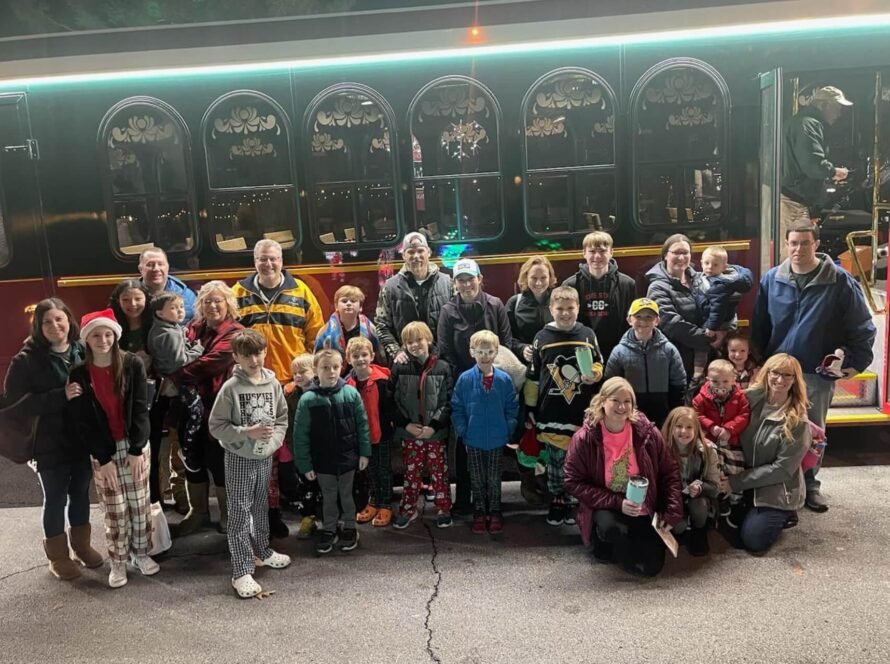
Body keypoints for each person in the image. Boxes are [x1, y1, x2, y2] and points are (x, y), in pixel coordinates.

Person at [751, 222, 875, 512]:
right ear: (786, 244)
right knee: (773, 430)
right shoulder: (772, 279)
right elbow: (760, 325)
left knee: (813, 433)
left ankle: (810, 484)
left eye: (805, 243)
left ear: (816, 244)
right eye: (793, 243)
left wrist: (857, 363)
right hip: (777, 373)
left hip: (815, 372)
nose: (798, 249)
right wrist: (758, 364)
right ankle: (777, 483)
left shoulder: (839, 281)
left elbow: (861, 325)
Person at [3, 299, 104, 580]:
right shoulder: (25, 360)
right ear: (38, 326)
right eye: (47, 321)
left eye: (59, 319)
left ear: (69, 321)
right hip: (49, 443)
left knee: (81, 493)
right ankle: (58, 557)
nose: (54, 326)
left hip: (80, 438)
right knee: (56, 497)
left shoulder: (81, 349)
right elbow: (13, 405)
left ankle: (82, 547)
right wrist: (59, 396)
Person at [66, 308, 157, 589]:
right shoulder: (79, 374)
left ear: (115, 336)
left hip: (133, 445)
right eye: (96, 335)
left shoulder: (131, 364)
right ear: (86, 339)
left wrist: (137, 449)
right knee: (115, 508)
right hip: (104, 450)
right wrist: (103, 458)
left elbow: (140, 408)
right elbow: (82, 421)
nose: (103, 340)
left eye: (108, 334)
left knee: (139, 503)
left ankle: (141, 553)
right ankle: (118, 559)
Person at [564, 377, 683, 577]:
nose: (622, 407)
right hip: (607, 506)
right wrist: (618, 502)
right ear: (602, 401)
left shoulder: (648, 433)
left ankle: (629, 542)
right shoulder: (584, 438)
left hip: (644, 507)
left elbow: (669, 471)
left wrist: (673, 510)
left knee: (650, 568)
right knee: (613, 532)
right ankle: (602, 538)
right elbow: (572, 481)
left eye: (627, 401)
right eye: (615, 401)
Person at [208, 329, 292, 599]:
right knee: (240, 512)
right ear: (236, 357)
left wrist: (273, 443)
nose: (254, 360)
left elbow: (281, 418)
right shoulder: (231, 388)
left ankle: (262, 550)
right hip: (239, 458)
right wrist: (246, 433)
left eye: (258, 354)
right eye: (247, 356)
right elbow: (216, 426)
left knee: (260, 505)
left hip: (264, 456)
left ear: (265, 352)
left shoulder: (273, 384)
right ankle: (241, 570)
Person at [438, 257, 526, 514]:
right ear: (455, 284)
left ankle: (492, 501)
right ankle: (464, 499)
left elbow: (505, 343)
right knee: (463, 445)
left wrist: (491, 373)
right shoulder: (448, 311)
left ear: (480, 279)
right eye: (461, 280)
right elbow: (445, 350)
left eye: (470, 279)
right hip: (464, 385)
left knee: (494, 447)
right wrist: (465, 381)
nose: (466, 284)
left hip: (495, 382)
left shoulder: (495, 305)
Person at [524, 285, 602, 527]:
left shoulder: (587, 334)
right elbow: (534, 377)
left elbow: (599, 362)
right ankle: (558, 498)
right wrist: (530, 408)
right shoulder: (542, 337)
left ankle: (574, 499)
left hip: (580, 412)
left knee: (580, 460)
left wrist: (595, 374)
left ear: (578, 308)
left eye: (570, 308)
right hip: (552, 412)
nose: (565, 313)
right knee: (556, 462)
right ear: (551, 309)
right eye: (560, 308)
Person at [174, 281, 245, 535]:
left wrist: (176, 372)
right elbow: (177, 353)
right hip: (190, 408)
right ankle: (198, 513)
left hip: (220, 408)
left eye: (218, 301)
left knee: (220, 461)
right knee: (192, 458)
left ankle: (228, 514)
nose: (212, 306)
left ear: (229, 304)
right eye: (207, 301)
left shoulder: (236, 333)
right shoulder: (193, 327)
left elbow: (206, 365)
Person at [723, 354, 811, 555]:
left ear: (795, 380)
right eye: (775, 373)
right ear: (766, 373)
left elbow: (782, 470)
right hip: (742, 474)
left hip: (775, 486)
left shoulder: (797, 421)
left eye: (787, 375)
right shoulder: (747, 399)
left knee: (754, 540)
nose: (780, 380)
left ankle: (786, 513)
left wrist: (734, 482)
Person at [293, 348, 371, 554]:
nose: (331, 372)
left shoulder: (351, 393)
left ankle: (349, 527)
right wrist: (305, 465)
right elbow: (300, 436)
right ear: (316, 369)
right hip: (323, 461)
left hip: (348, 458)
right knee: (328, 496)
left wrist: (364, 452)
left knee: (347, 494)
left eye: (335, 367)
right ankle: (329, 528)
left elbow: (362, 425)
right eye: (325, 368)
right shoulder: (308, 400)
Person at [451, 330, 519, 535]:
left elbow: (512, 406)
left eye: (489, 351)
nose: (485, 356)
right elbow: (457, 407)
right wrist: (463, 431)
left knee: (494, 478)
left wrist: (507, 428)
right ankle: (479, 511)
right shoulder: (464, 379)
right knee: (477, 478)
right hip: (473, 440)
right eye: (480, 351)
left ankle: (495, 511)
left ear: (496, 352)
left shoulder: (504, 380)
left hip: (497, 440)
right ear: (472, 352)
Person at [389, 321, 453, 529]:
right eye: (409, 342)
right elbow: (392, 399)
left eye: (419, 340)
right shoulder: (399, 367)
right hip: (410, 432)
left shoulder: (442, 367)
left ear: (429, 340)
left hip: (435, 432)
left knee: (439, 472)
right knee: (411, 473)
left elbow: (448, 401)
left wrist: (434, 426)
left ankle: (444, 508)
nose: (415, 345)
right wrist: (406, 424)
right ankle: (408, 509)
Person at [233, 239, 325, 384]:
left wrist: (304, 371)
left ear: (281, 261)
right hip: (252, 380)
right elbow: (229, 337)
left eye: (273, 259)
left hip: (293, 381)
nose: (268, 264)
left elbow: (316, 336)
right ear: (255, 261)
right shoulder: (237, 293)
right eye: (263, 259)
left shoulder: (301, 291)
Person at [781, 86, 851, 253]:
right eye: (837, 107)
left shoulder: (799, 122)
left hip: (790, 198)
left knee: (790, 253)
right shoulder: (809, 124)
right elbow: (813, 164)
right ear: (822, 105)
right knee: (796, 254)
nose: (839, 113)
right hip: (794, 201)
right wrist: (834, 171)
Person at [146, 292, 204, 479]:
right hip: (175, 381)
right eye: (173, 308)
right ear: (160, 313)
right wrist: (199, 349)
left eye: (181, 306)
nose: (180, 311)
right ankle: (187, 450)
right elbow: (180, 361)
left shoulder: (168, 327)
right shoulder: (168, 333)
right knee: (196, 412)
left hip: (168, 380)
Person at [604, 297, 686, 427]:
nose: (643, 321)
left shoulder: (669, 350)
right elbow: (610, 385)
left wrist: (674, 414)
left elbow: (679, 384)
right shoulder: (619, 351)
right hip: (629, 415)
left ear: (657, 321)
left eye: (649, 317)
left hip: (662, 415)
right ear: (629, 320)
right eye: (638, 316)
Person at [645, 234, 716, 384]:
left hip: (705, 354)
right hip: (676, 358)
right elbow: (671, 324)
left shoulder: (701, 279)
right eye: (676, 253)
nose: (681, 257)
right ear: (665, 255)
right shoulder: (657, 287)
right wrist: (707, 338)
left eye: (685, 253)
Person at [375, 231, 453, 365]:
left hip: (441, 361)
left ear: (428, 252)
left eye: (420, 251)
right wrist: (396, 352)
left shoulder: (447, 283)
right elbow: (381, 325)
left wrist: (446, 351)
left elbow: (456, 321)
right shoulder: (390, 287)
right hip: (406, 362)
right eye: (411, 252)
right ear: (403, 255)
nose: (416, 256)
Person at [562, 231, 636, 363]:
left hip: (618, 351)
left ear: (611, 252)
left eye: (602, 251)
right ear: (584, 253)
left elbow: (632, 321)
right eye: (592, 251)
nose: (597, 256)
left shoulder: (627, 284)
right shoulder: (570, 285)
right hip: (583, 352)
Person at [692, 358, 750, 526]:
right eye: (716, 381)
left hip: (732, 440)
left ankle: (735, 499)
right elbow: (696, 414)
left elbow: (744, 415)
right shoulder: (701, 397)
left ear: (733, 380)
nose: (721, 385)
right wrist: (711, 427)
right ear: (708, 380)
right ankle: (719, 498)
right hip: (711, 440)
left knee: (735, 467)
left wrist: (729, 429)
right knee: (714, 467)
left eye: (725, 381)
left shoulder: (740, 396)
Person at [345, 337, 395, 528]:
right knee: (370, 470)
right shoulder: (347, 384)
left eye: (364, 355)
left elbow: (389, 408)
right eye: (355, 356)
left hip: (382, 433)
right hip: (361, 436)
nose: (360, 359)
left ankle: (386, 504)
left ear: (372, 356)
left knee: (384, 469)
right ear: (348, 359)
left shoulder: (382, 381)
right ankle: (374, 500)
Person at [661, 406, 720, 556]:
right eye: (679, 426)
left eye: (689, 427)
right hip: (673, 498)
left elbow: (715, 487)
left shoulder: (708, 451)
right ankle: (681, 527)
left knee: (699, 506)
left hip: (698, 498)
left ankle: (699, 531)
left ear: (696, 429)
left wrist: (700, 487)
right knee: (678, 527)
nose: (684, 431)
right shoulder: (661, 451)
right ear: (670, 427)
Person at [693, 245, 753, 383]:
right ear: (701, 263)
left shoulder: (720, 284)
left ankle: (698, 374)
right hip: (720, 322)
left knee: (703, 347)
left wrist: (711, 327)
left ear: (724, 267)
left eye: (715, 265)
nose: (710, 267)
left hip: (719, 324)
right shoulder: (707, 278)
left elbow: (717, 309)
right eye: (706, 263)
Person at [285, 354, 319, 539]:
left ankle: (331, 520)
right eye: (294, 373)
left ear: (315, 371)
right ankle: (308, 518)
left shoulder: (324, 392)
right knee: (305, 487)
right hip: (301, 451)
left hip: (321, 450)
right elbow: (289, 425)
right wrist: (293, 448)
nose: (297, 376)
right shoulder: (290, 395)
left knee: (326, 487)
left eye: (302, 371)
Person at [314, 284, 383, 367]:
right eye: (344, 301)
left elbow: (380, 355)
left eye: (353, 301)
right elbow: (317, 358)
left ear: (360, 307)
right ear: (336, 306)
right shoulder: (325, 332)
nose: (349, 304)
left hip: (363, 371)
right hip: (334, 373)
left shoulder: (370, 329)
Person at [505, 255, 557, 357]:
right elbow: (506, 337)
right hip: (526, 362)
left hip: (555, 359)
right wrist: (522, 348)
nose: (538, 283)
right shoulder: (514, 303)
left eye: (543, 278)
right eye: (534, 278)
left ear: (550, 277)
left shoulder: (559, 300)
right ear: (526, 278)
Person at [138, 247, 197, 321]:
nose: (156, 269)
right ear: (140, 269)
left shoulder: (187, 296)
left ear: (167, 267)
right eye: (150, 264)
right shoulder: (130, 297)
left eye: (160, 264)